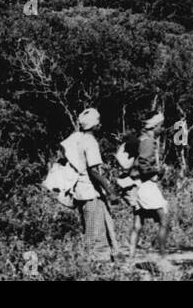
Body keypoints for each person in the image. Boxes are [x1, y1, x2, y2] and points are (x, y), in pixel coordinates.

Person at [60, 108, 120, 262]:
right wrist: (109, 189)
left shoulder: (78, 139)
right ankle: (99, 262)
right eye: (98, 122)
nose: (100, 125)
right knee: (96, 230)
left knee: (90, 227)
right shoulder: (90, 142)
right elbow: (93, 170)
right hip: (90, 191)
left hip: (81, 190)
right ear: (94, 126)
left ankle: (94, 259)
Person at [117, 110, 171, 256]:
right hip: (145, 185)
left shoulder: (141, 139)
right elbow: (144, 166)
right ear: (155, 126)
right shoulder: (148, 142)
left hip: (135, 185)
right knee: (164, 220)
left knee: (138, 223)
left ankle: (131, 256)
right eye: (160, 125)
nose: (162, 128)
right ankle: (162, 256)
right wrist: (158, 172)